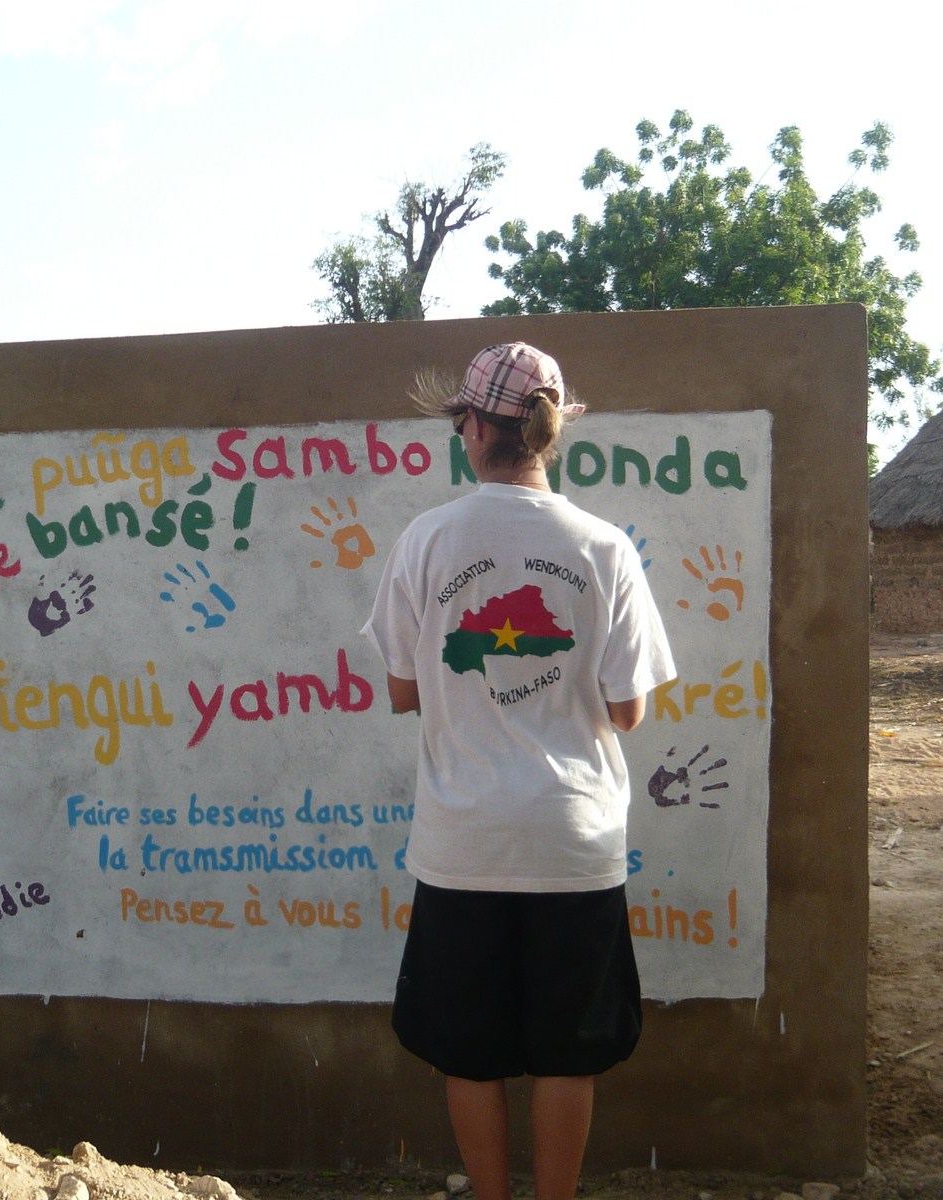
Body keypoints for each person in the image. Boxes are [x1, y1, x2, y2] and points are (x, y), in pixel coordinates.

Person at [362, 342, 675, 1200]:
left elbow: (401, 692)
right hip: (574, 841)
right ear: (550, 432)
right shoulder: (604, 546)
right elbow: (628, 710)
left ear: (472, 426)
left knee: (471, 1053)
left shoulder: (426, 540)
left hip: (463, 841)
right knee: (568, 1054)